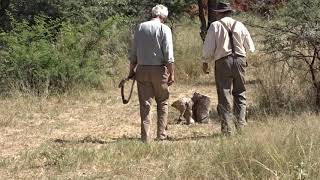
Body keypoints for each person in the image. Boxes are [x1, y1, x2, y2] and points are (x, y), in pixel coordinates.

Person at [202, 2, 255, 135]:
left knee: (224, 94)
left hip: (223, 61)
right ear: (229, 12)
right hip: (240, 60)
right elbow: (251, 47)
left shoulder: (215, 26)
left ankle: (227, 130)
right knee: (240, 93)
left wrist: (205, 61)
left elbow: (208, 49)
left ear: (219, 12)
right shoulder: (240, 25)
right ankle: (241, 127)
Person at [128, 4, 175, 143]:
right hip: (159, 70)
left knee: (145, 104)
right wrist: (172, 74)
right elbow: (169, 55)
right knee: (163, 102)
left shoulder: (141, 27)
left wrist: (131, 72)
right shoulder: (164, 28)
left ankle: (145, 138)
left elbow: (133, 53)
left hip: (142, 70)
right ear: (163, 17)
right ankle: (161, 135)